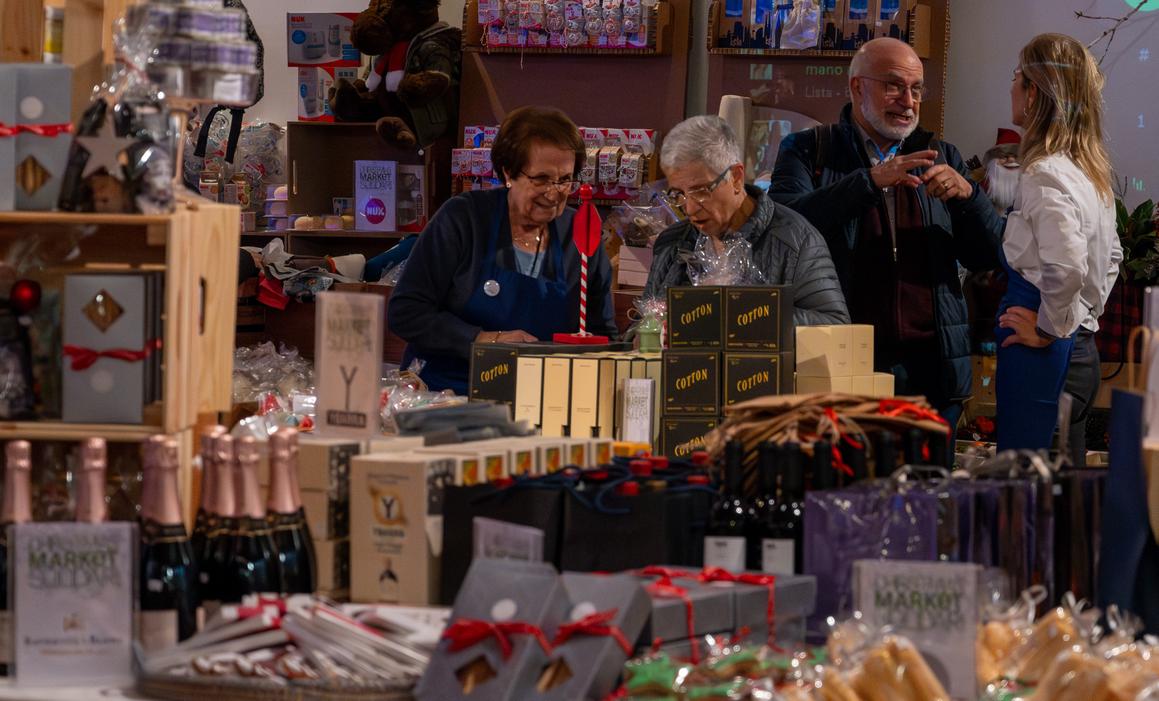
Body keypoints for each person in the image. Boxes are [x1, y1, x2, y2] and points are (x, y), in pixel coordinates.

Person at [770, 37, 1004, 430]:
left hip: (934, 368)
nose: (908, 101)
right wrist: (868, 182)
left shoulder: (942, 155)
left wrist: (969, 198)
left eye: (916, 89)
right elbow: (782, 229)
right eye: (894, 85)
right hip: (842, 365)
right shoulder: (810, 150)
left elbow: (991, 256)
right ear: (857, 87)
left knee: (930, 488)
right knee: (850, 487)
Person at [388, 106, 616, 393]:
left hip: (541, 397)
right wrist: (485, 340)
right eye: (541, 178)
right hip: (448, 394)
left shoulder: (579, 232)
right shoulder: (464, 219)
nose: (554, 192)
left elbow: (603, 333)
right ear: (509, 172)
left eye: (565, 179)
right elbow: (406, 312)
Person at [995, 33, 1121, 454]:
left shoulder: (1044, 172)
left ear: (1035, 93)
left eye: (1017, 77)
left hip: (1042, 357)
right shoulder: (1089, 173)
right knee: (1066, 492)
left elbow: (1066, 268)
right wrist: (1082, 318)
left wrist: (1049, 331)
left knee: (1028, 492)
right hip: (1081, 350)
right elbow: (1111, 259)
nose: (1011, 87)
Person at [643, 115, 849, 326]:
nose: (690, 208)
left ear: (736, 178)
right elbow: (639, 330)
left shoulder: (796, 241)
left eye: (701, 191)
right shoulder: (671, 243)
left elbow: (834, 324)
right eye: (678, 194)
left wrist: (743, 315)